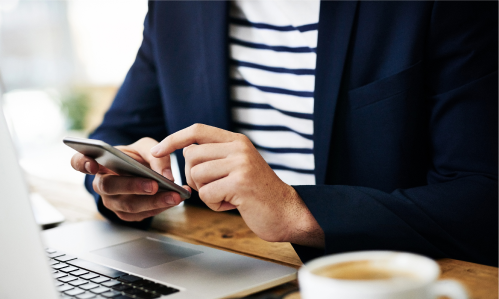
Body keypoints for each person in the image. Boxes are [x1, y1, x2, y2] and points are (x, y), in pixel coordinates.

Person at [71, 0, 499, 267]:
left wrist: (295, 210)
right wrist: (119, 183)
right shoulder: (176, 7)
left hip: (379, 287)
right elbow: (118, 135)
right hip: (215, 267)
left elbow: (484, 198)